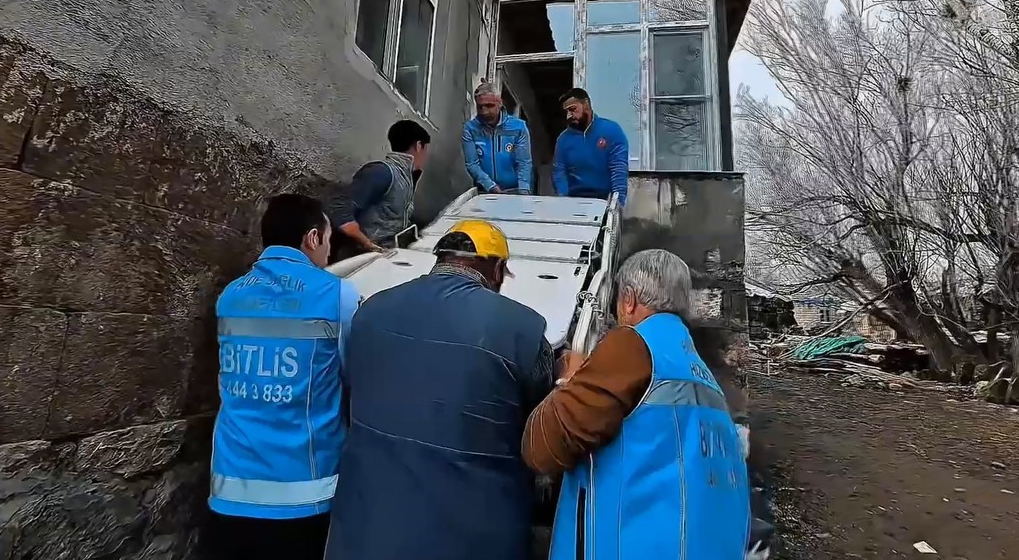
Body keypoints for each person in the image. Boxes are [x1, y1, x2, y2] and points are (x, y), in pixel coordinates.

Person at [326, 219, 555, 560]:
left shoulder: (369, 312)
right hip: (474, 536)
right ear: (496, 269)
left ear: (441, 260)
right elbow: (542, 424)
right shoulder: (524, 329)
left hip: (366, 528)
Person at [523, 249, 751, 559]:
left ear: (628, 300)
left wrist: (570, 379)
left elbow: (543, 449)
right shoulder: (703, 377)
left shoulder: (632, 345)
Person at [209, 193, 360, 560]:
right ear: (312, 238)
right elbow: (355, 374)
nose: (328, 251)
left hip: (230, 490)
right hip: (304, 494)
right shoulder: (335, 294)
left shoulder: (230, 295)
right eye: (327, 239)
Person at [336, 119, 430, 256]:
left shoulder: (407, 177)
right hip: (363, 256)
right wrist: (366, 243)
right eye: (425, 150)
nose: (426, 156)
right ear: (418, 146)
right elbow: (340, 208)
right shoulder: (382, 172)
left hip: (388, 252)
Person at [552, 87, 629, 206]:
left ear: (586, 105)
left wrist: (617, 204)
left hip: (604, 201)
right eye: (566, 112)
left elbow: (618, 169)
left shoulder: (612, 131)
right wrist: (563, 201)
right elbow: (559, 172)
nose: (568, 116)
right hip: (574, 201)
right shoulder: (563, 140)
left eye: (572, 109)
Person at [462, 81, 533, 194]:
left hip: (514, 191)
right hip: (484, 191)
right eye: (480, 107)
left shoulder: (518, 127)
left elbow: (524, 162)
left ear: (500, 103)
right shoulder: (470, 129)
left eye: (489, 106)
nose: (484, 111)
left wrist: (524, 192)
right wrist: (490, 186)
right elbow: (472, 164)